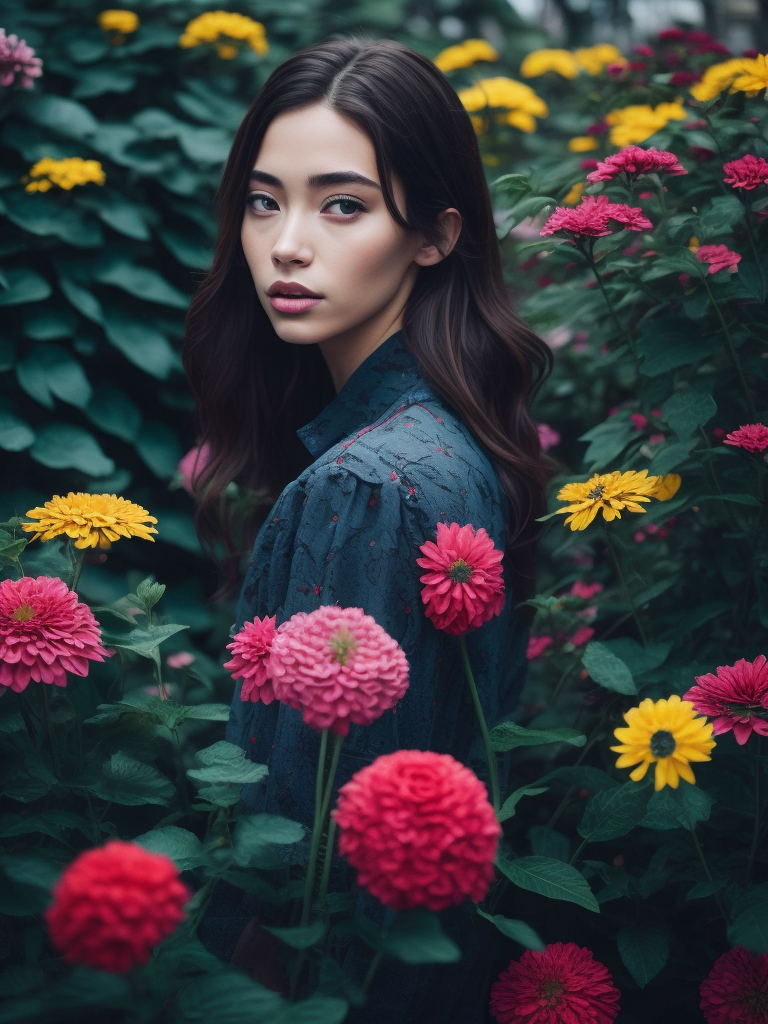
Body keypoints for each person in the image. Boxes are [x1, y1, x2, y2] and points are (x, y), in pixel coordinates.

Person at [183, 36, 551, 1024]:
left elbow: (311, 868)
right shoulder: (453, 440)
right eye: (265, 201)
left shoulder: (370, 485)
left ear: (435, 235)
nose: (287, 243)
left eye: (341, 204)